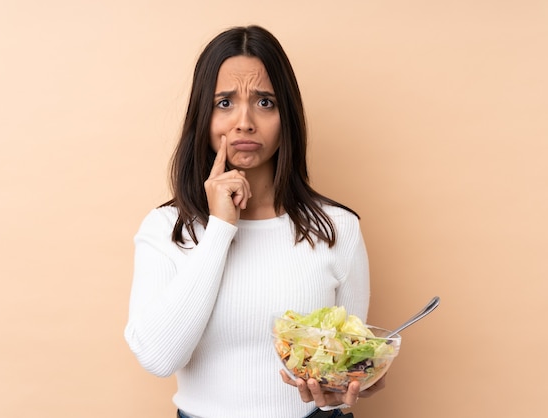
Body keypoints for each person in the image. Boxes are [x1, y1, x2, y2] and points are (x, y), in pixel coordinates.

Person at [124, 25, 383, 418]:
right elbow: (158, 358)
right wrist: (220, 229)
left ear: (287, 116)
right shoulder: (166, 229)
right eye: (224, 103)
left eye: (264, 103)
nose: (244, 122)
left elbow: (340, 368)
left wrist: (353, 381)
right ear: (202, 115)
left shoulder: (337, 228)